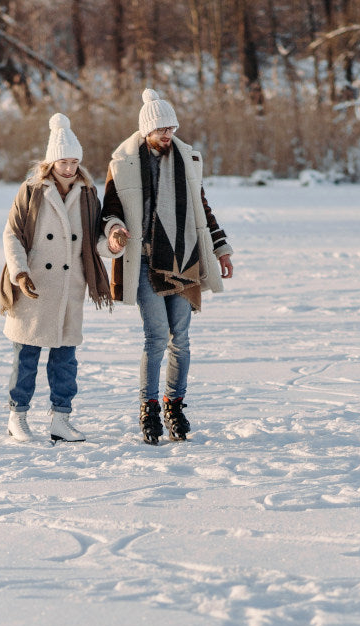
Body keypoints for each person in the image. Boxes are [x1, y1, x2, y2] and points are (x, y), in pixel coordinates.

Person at [101, 89, 234, 445]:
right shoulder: (123, 164)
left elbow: (202, 210)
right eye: (162, 129)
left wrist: (221, 249)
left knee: (182, 338)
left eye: (172, 128)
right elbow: (109, 210)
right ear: (147, 131)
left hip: (185, 258)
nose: (168, 135)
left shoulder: (188, 160)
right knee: (157, 336)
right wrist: (115, 232)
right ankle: (148, 407)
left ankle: (174, 405)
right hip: (145, 261)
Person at [0, 113, 123, 443]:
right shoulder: (31, 191)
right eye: (62, 161)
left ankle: (61, 419)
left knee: (65, 361)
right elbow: (11, 235)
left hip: (70, 289)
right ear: (50, 161)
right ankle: (17, 416)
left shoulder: (87, 194)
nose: (68, 168)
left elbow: (93, 243)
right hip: (34, 287)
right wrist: (20, 272)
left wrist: (111, 244)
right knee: (25, 358)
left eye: (73, 162)